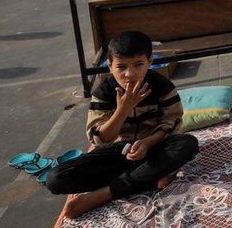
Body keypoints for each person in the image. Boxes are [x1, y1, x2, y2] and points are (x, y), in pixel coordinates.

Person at [44, 30, 199, 221]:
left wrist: (147, 143)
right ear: (110, 66)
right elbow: (101, 138)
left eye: (138, 65)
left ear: (150, 62)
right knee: (55, 179)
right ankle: (146, 178)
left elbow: (172, 123)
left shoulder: (161, 86)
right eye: (122, 67)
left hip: (153, 149)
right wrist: (123, 109)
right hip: (117, 152)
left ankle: (106, 192)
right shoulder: (104, 92)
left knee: (188, 143)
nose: (130, 74)